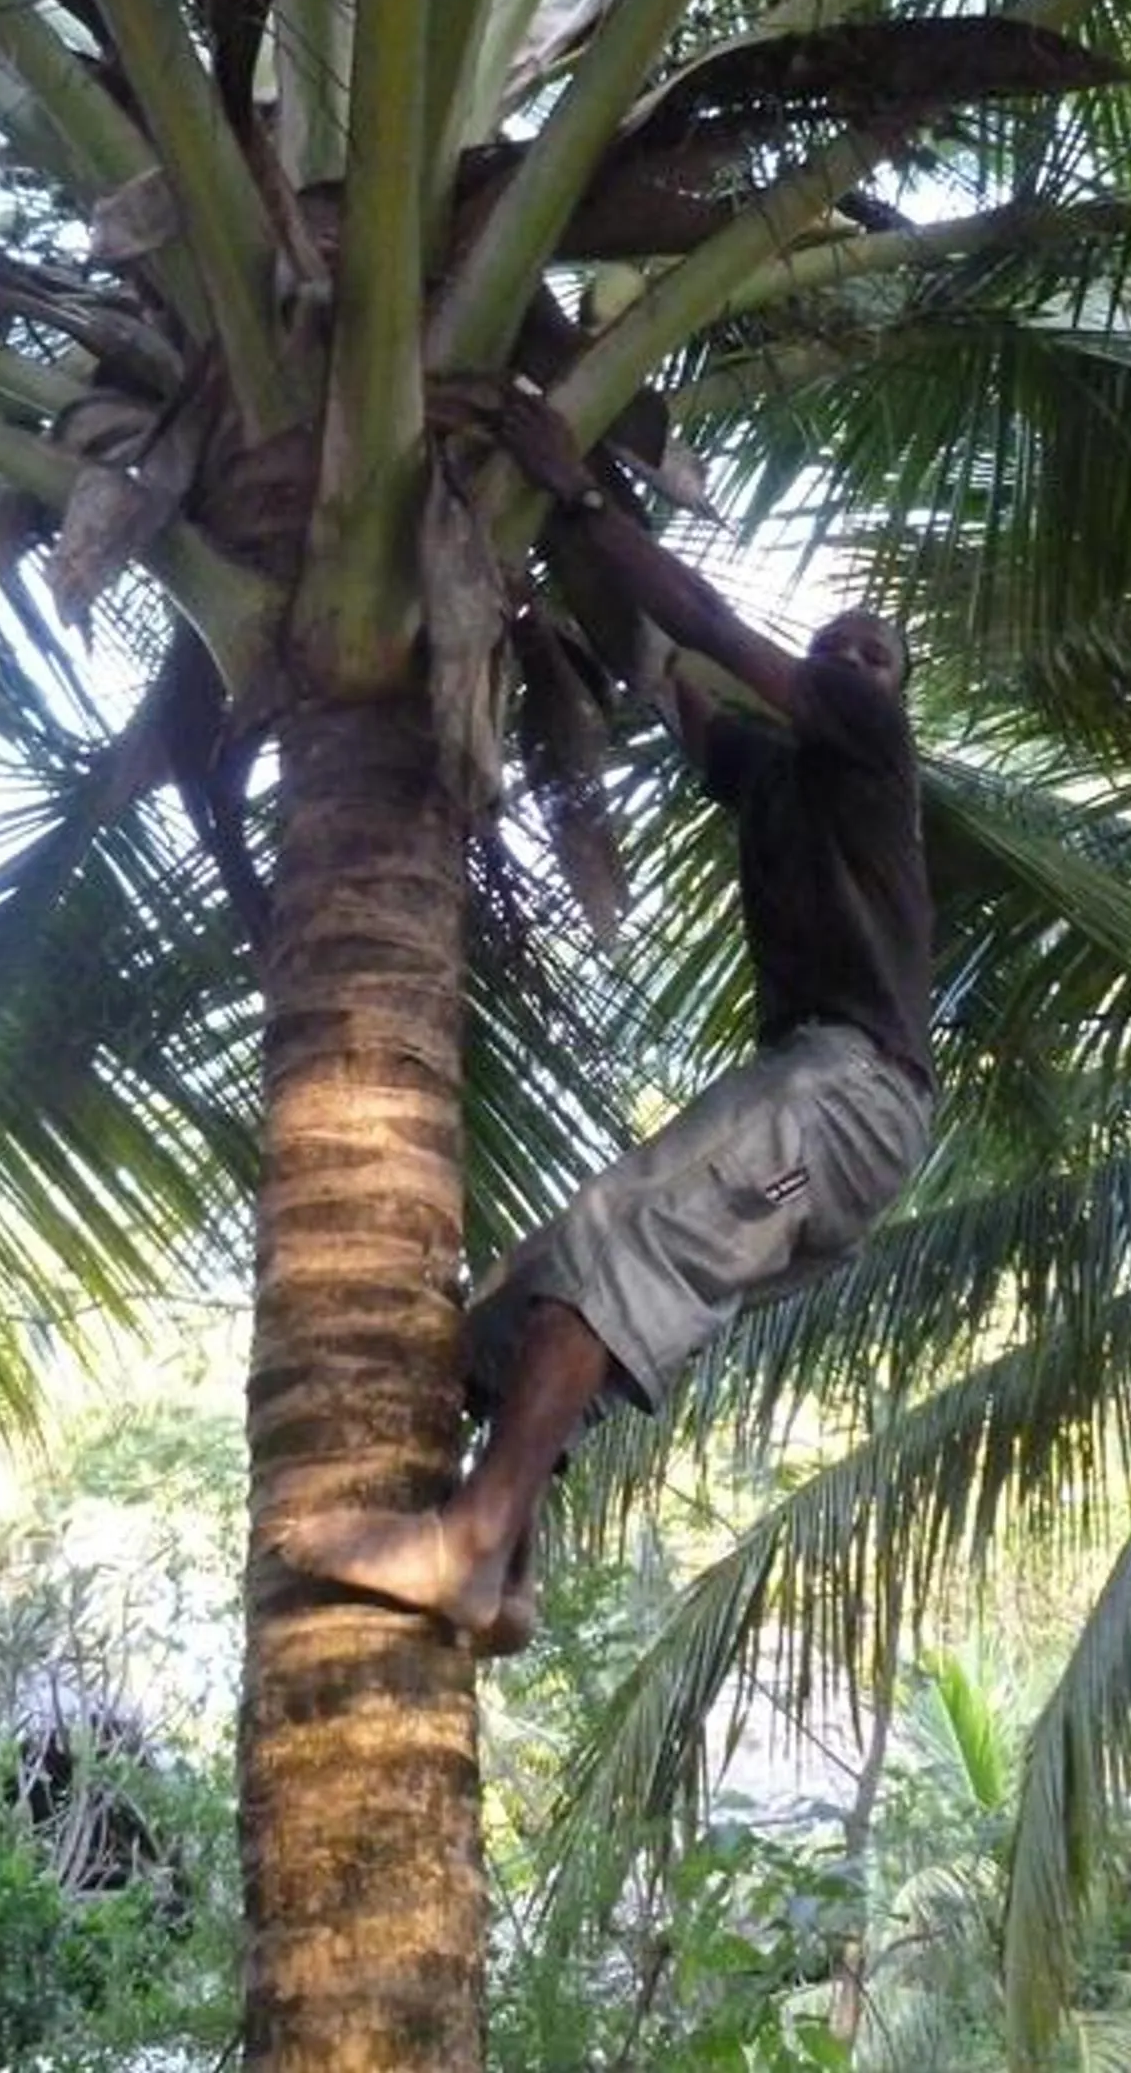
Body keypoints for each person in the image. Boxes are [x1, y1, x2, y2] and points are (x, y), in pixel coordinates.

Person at [283, 392, 935, 1654]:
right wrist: (535, 591)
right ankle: (507, 1569)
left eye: (873, 653)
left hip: (852, 1089)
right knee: (534, 1294)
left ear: (884, 692)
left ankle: (465, 1544)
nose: (852, 658)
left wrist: (576, 489)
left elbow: (704, 625)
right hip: (827, 1098)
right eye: (842, 644)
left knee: (622, 1246)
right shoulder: (779, 775)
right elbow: (670, 675)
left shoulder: (869, 738)